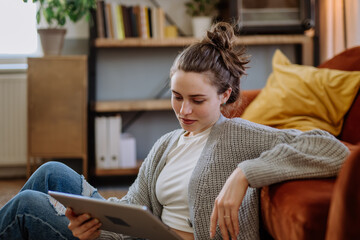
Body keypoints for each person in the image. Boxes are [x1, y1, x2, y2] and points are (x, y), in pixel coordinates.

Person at [0, 22, 349, 240]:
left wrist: (245, 173)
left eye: (197, 100)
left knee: (27, 207)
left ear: (225, 94)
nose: (183, 111)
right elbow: (135, 208)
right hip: (131, 237)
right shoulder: (167, 143)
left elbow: (333, 149)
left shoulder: (239, 135)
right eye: (177, 97)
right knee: (51, 171)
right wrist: (93, 228)